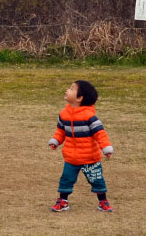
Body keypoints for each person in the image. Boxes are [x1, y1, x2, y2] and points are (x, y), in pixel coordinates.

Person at [48, 80, 114, 212]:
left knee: (96, 180)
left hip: (90, 157)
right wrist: (56, 140)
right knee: (66, 179)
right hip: (71, 157)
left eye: (72, 89)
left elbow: (100, 134)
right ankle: (63, 201)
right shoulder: (63, 114)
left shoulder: (90, 117)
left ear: (79, 98)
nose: (67, 90)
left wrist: (105, 147)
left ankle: (103, 201)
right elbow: (61, 130)